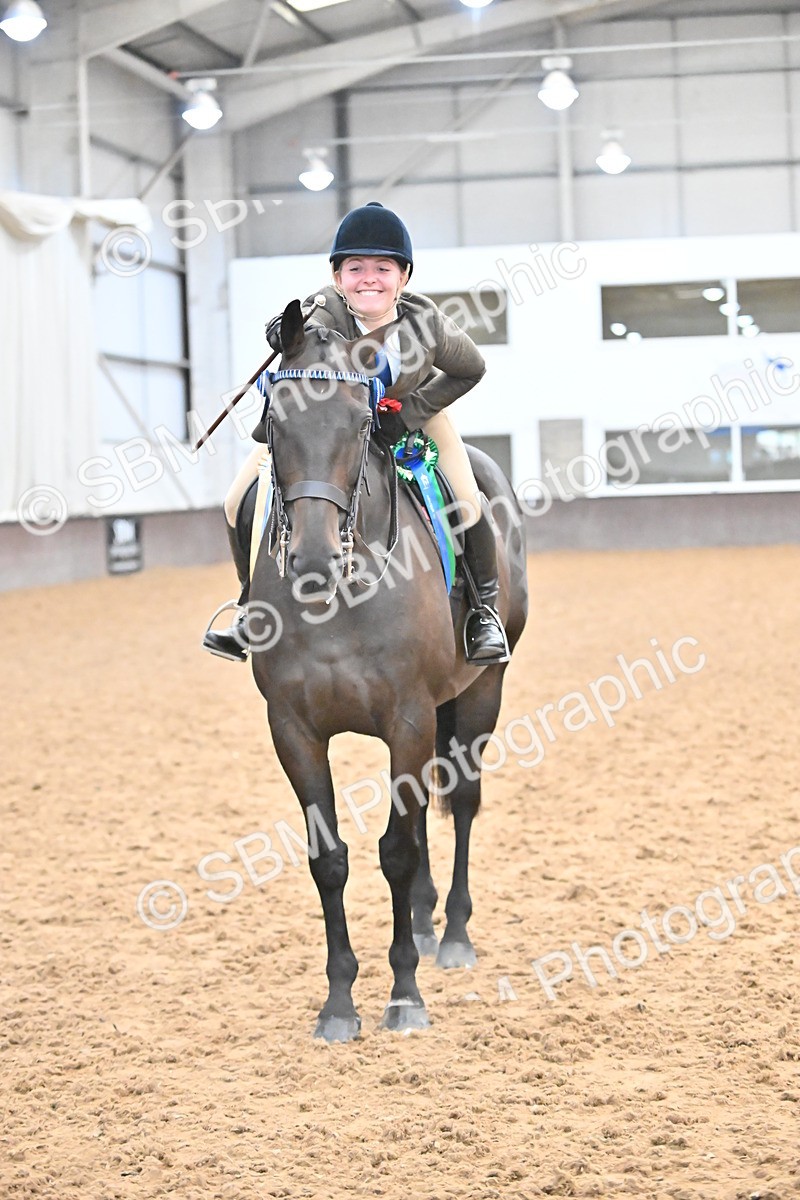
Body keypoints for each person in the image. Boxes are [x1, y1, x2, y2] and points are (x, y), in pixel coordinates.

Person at [202, 201, 508, 665]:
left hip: (410, 418)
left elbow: (472, 369)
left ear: (404, 276)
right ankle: (249, 605)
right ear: (337, 275)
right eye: (355, 268)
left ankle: (483, 612)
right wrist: (281, 333)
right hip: (329, 428)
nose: (369, 279)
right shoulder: (324, 309)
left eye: (383, 268)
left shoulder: (426, 324)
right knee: (234, 501)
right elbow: (299, 332)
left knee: (467, 499)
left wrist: (410, 412)